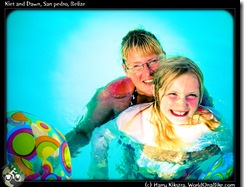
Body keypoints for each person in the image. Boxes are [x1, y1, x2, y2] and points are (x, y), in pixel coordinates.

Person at [65, 28, 216, 157]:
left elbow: (212, 130)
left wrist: (186, 157)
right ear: (126, 69)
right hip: (132, 148)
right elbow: (83, 133)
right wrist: (57, 155)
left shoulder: (187, 86)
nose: (148, 72)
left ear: (164, 57)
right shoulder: (113, 97)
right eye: (137, 66)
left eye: (153, 61)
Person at [87, 56, 233, 180]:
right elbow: (100, 135)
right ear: (157, 91)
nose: (182, 104)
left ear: (200, 96)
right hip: (140, 174)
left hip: (187, 176)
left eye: (192, 95)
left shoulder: (208, 123)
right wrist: (99, 168)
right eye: (173, 94)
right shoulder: (135, 120)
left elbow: (230, 151)